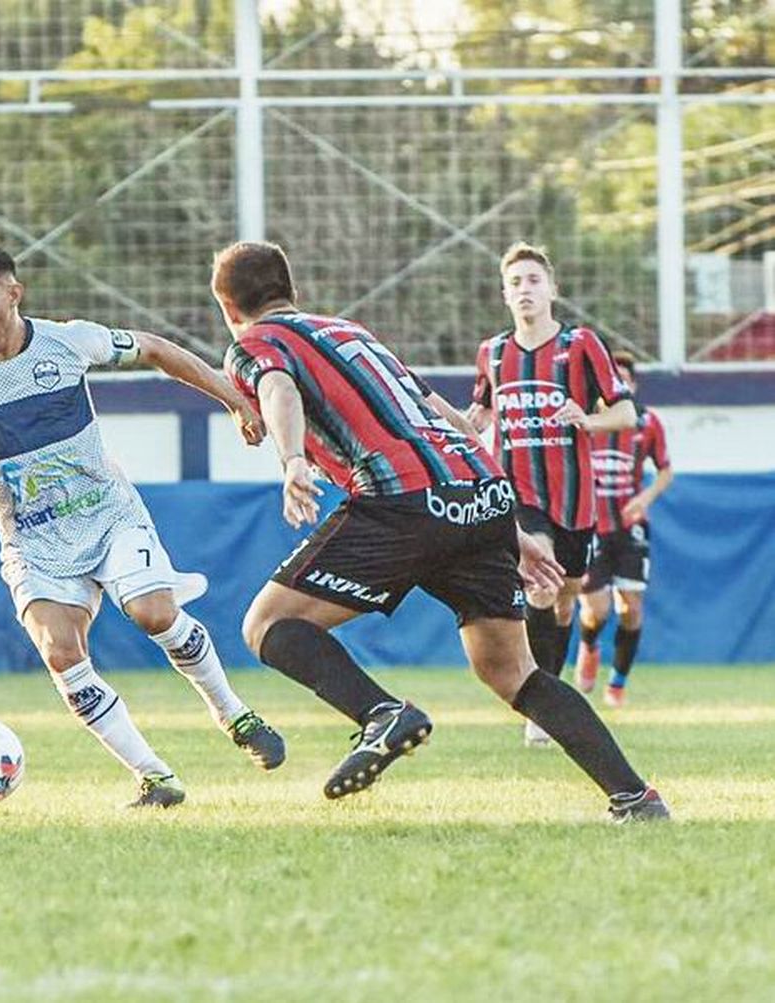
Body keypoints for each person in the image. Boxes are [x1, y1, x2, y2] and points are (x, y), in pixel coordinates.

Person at [213, 240, 667, 822]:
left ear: (228, 306)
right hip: (480, 489)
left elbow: (276, 387)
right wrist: (505, 523)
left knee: (267, 625)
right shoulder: (353, 334)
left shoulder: (252, 343)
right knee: (510, 671)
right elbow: (437, 410)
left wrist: (291, 459)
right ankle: (636, 797)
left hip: (400, 499)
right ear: (291, 290)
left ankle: (382, 713)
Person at [0, 241, 286, 809]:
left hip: (108, 518)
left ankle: (233, 713)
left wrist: (233, 400)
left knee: (153, 613)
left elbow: (152, 349)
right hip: (32, 544)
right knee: (60, 652)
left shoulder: (66, 342)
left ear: (13, 294)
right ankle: (154, 777)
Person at [467, 242, 639, 747]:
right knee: (539, 586)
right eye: (515, 283)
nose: (525, 290)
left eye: (533, 281)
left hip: (575, 505)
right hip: (520, 496)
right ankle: (539, 710)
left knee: (565, 602)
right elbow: (479, 415)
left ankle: (550, 688)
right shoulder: (492, 353)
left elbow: (624, 414)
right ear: (505, 294)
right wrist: (452, 427)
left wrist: (586, 419)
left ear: (552, 290)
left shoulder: (581, 345)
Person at [574, 352, 673, 706]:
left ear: (633, 385)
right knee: (596, 610)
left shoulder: (646, 423)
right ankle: (588, 645)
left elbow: (665, 470)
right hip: (590, 526)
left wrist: (644, 499)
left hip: (630, 527)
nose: (621, 385)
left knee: (630, 607)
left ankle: (617, 683)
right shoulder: (585, 419)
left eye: (627, 380)